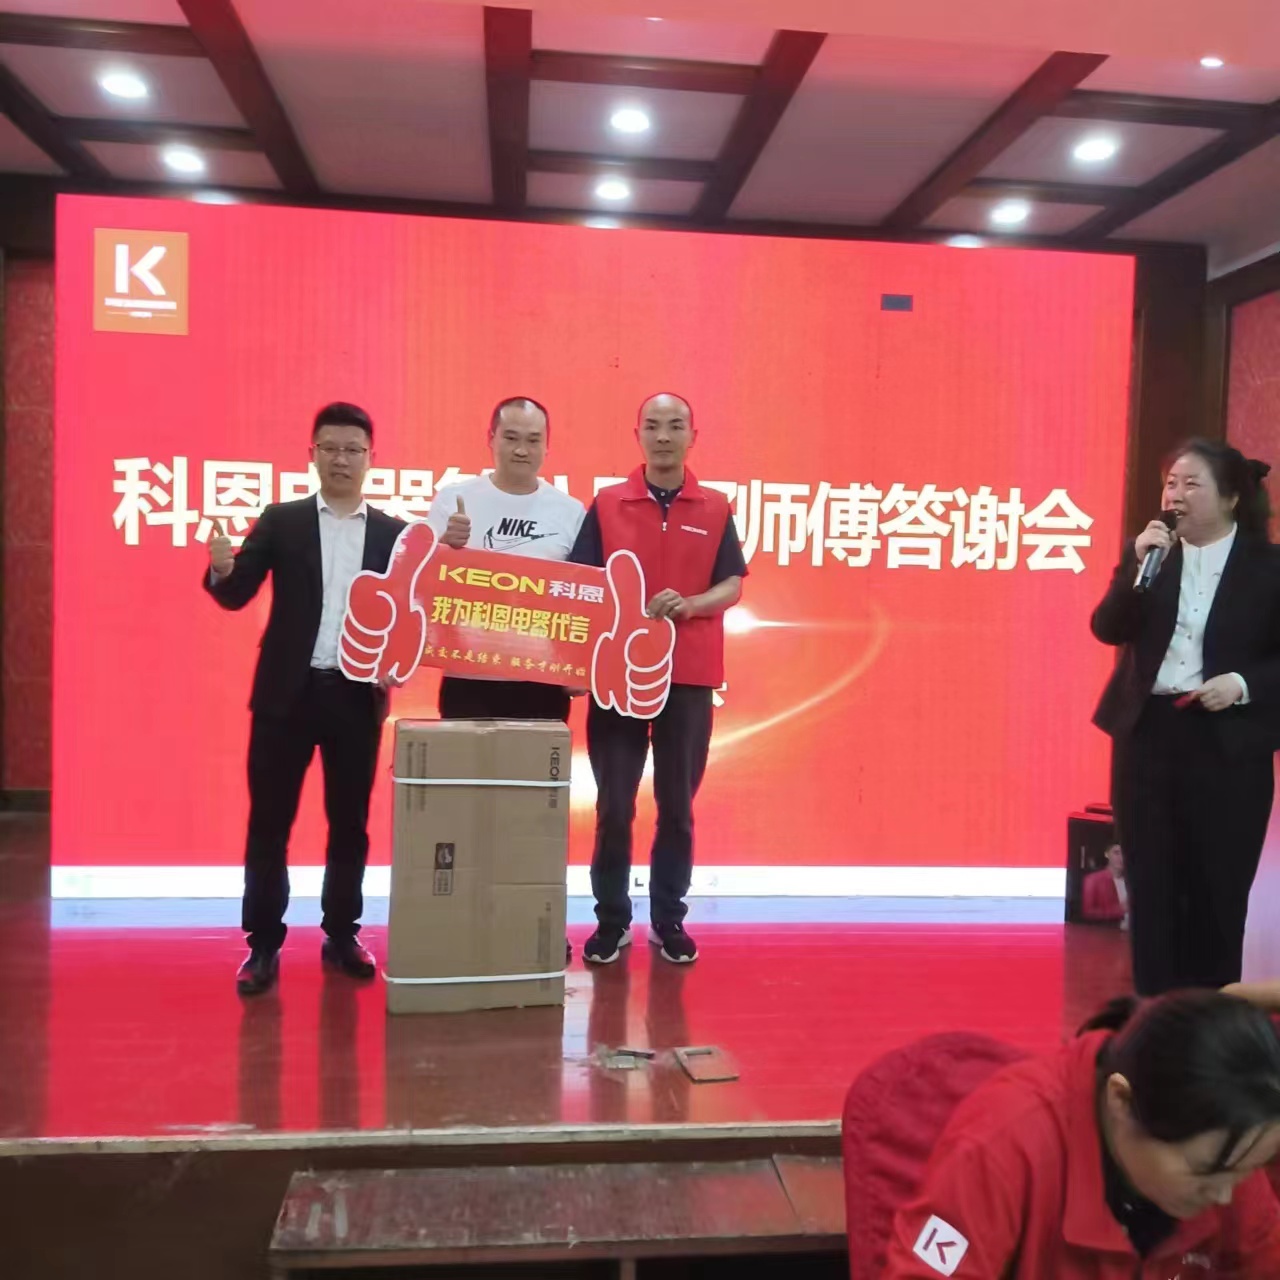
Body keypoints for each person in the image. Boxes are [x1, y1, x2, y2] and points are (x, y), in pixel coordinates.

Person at [205, 402, 405, 996]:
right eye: (331, 448)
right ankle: (263, 944)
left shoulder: (394, 535)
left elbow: (411, 616)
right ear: (312, 454)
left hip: (355, 698)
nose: (342, 459)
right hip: (284, 699)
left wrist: (395, 663)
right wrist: (221, 570)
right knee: (269, 823)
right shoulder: (283, 520)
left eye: (353, 449)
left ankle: (341, 935)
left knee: (350, 825)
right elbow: (237, 594)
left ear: (371, 458)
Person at [883, 990, 1280, 1277]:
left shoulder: (1231, 1143)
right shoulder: (1001, 1145)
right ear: (1121, 1100)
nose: (1225, 1196)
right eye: (1204, 1171)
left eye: (1246, 1171)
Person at [1091, 439, 1280, 997]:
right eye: (1170, 483)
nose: (1175, 495)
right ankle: (1155, 1016)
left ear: (1231, 497)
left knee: (1217, 888)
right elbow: (1108, 628)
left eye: (1192, 484)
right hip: (1148, 736)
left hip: (1228, 743)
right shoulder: (1151, 554)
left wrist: (1243, 684)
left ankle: (1209, 1022)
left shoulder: (1269, 567)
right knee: (1151, 886)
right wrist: (1136, 565)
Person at [569, 393, 746, 966]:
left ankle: (669, 920)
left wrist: (692, 604)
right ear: (638, 434)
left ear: (693, 435)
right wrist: (578, 662)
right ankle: (611, 920)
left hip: (689, 675)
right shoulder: (607, 504)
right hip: (617, 675)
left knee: (677, 806)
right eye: (652, 426)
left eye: (675, 426)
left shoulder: (714, 507)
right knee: (614, 805)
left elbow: (732, 584)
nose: (663, 436)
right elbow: (582, 583)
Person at [426, 397, 586, 722]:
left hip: (542, 680)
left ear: (547, 445)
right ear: (491, 438)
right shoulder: (454, 500)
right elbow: (419, 583)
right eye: (511, 438)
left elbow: (583, 600)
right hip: (467, 676)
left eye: (533, 440)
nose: (521, 450)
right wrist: (442, 546)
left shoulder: (570, 512)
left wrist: (579, 667)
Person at [1082, 844, 1129, 930]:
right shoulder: (1093, 879)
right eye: (1116, 853)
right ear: (1107, 854)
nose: (1121, 858)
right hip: (1108, 934)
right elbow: (1088, 912)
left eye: (1125, 853)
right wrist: (1119, 909)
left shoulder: (1131, 881)